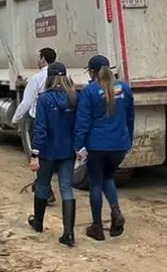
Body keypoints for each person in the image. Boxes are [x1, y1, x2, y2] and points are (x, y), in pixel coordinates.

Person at [74, 54, 135, 241]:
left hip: (97, 145)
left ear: (92, 72)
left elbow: (83, 122)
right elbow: (130, 117)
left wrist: (78, 146)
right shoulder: (124, 88)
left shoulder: (89, 91)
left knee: (96, 182)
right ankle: (116, 212)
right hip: (119, 144)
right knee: (108, 176)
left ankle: (97, 226)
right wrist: (128, 140)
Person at [27, 62, 78, 247]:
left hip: (48, 151)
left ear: (49, 77)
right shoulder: (73, 97)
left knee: (42, 185)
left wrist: (35, 153)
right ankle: (69, 233)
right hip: (68, 151)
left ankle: (38, 223)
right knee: (66, 188)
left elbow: (40, 128)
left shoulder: (45, 99)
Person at [13, 47, 58, 204]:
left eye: (39, 58)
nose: (37, 61)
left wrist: (16, 118)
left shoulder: (38, 78)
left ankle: (46, 191)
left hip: (38, 120)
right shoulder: (62, 77)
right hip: (57, 121)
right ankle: (42, 186)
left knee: (36, 155)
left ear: (44, 59)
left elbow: (27, 102)